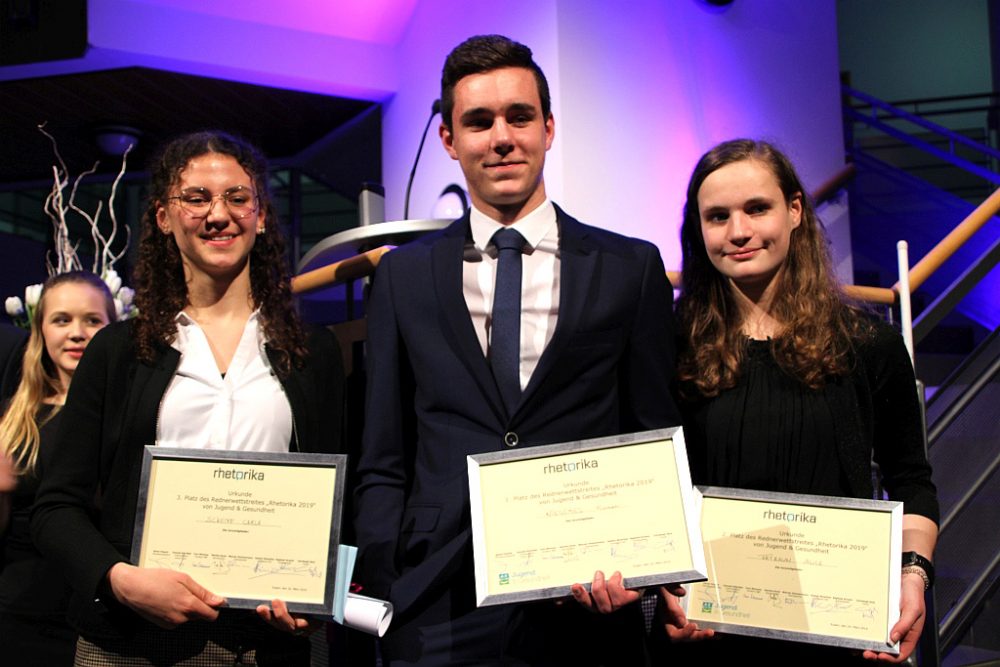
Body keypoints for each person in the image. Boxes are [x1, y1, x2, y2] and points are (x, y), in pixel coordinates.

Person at [353, 34, 680, 665]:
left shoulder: (629, 266)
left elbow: (653, 429)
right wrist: (387, 576)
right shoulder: (403, 275)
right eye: (478, 122)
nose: (501, 137)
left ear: (549, 127)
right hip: (438, 592)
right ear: (449, 139)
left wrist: (639, 565)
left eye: (519, 116)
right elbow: (384, 451)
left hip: (586, 595)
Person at [31, 131, 345, 666]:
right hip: (135, 644)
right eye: (196, 198)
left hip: (272, 645)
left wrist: (318, 592)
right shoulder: (118, 350)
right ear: (162, 217)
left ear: (261, 215)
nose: (218, 214)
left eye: (237, 197)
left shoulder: (311, 352)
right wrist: (119, 580)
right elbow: (55, 508)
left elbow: (340, 499)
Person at [663, 139, 939, 663]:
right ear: (698, 230)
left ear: (794, 210)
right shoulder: (670, 345)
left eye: (757, 209)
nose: (739, 232)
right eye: (717, 216)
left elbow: (911, 480)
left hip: (835, 636)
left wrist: (913, 577)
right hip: (709, 635)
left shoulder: (867, 343)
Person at [0, 271, 116, 665]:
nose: (77, 333)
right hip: (20, 612)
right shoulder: (15, 419)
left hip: (105, 614)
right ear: (41, 330)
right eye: (62, 319)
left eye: (92, 320)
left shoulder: (129, 416)